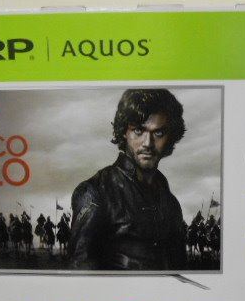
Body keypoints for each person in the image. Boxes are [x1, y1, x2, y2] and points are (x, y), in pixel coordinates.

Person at [69, 88, 187, 270]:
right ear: (124, 132)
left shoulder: (171, 204)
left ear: (170, 137)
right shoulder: (95, 192)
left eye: (158, 133)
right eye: (138, 130)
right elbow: (81, 270)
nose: (148, 143)